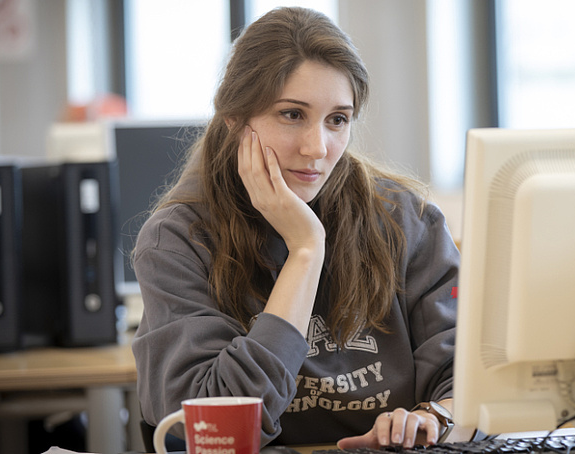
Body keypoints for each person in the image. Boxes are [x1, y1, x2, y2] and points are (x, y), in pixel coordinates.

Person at [131, 6, 460, 450]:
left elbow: (470, 376)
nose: (317, 147)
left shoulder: (405, 220)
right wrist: (305, 250)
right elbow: (212, 424)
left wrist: (433, 418)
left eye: (337, 119)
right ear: (234, 117)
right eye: (292, 114)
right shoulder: (177, 240)